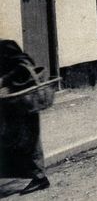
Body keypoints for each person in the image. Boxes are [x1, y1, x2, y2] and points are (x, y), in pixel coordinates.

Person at [0, 40, 50, 195]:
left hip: (24, 101)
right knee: (11, 140)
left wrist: (3, 80)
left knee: (30, 139)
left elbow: (24, 65)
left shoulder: (5, 46)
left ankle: (40, 178)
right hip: (10, 104)